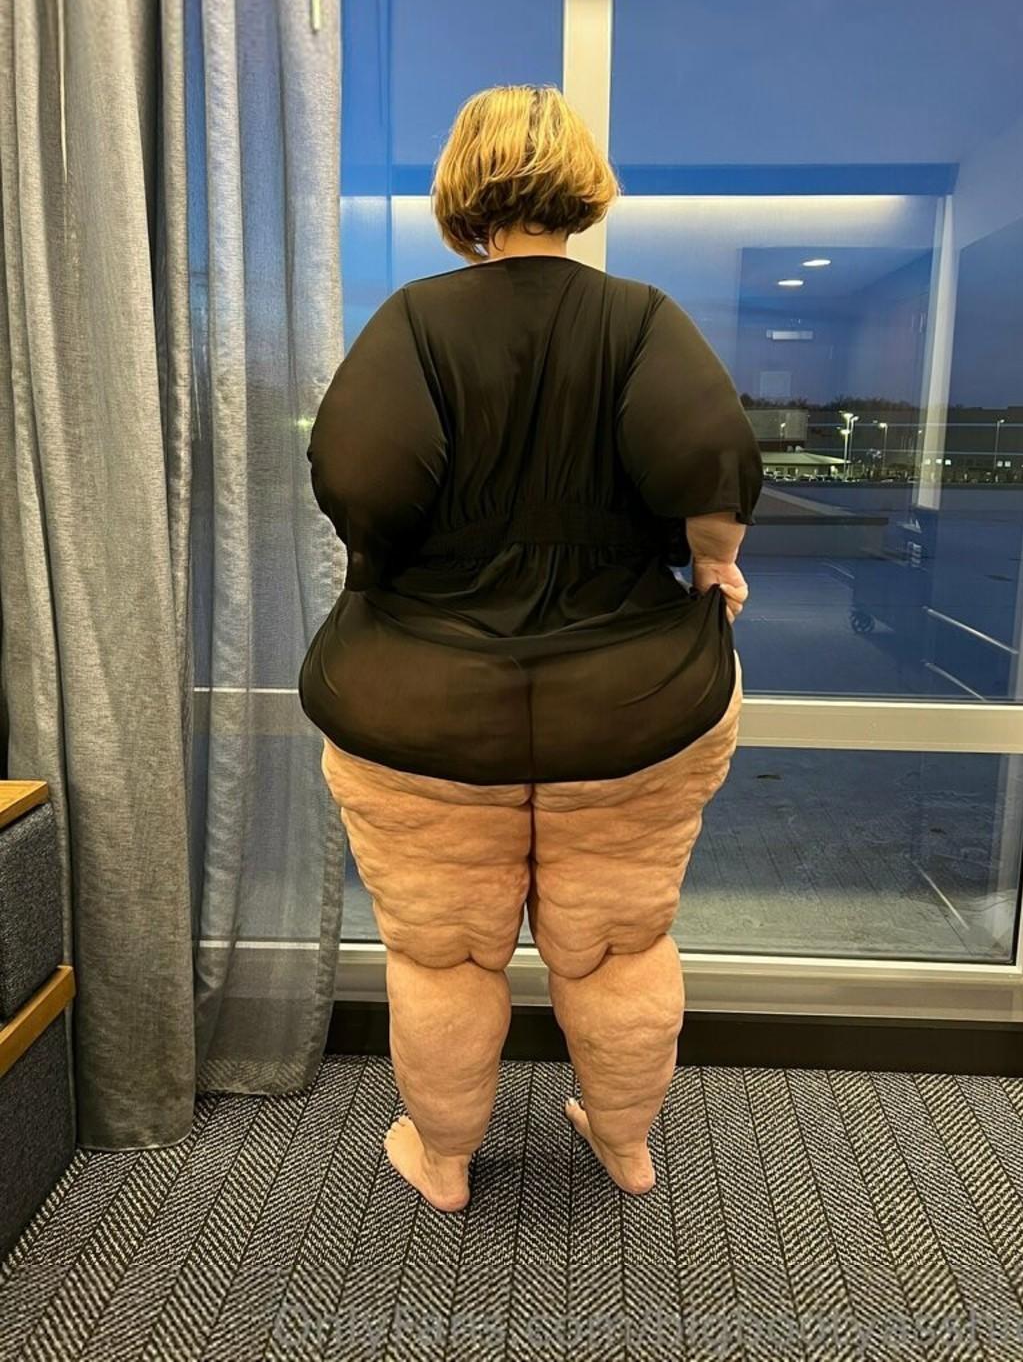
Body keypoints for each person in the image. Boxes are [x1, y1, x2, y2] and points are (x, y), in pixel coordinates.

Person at [298, 84, 763, 1212]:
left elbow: (362, 481)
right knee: (620, 944)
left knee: (444, 954)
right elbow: (710, 456)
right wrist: (712, 562)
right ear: (583, 189)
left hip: (421, 713)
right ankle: (624, 1142)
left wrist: (386, 569)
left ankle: (445, 1158)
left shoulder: (415, 321)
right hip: (635, 708)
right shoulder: (641, 318)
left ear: (463, 189)